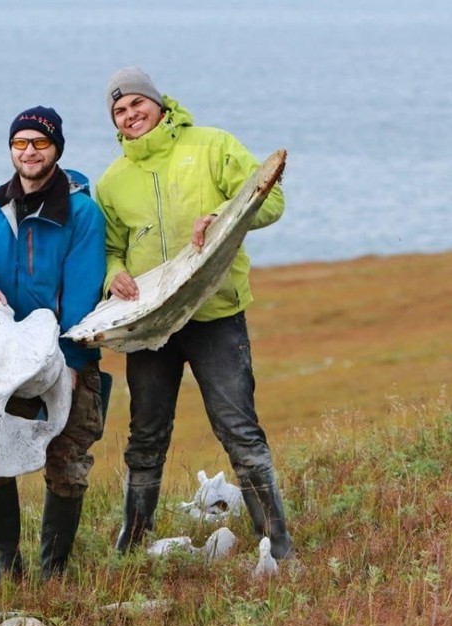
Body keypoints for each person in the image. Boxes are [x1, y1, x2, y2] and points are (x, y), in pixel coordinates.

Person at [96, 66, 293, 559]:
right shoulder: (113, 181)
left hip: (216, 316)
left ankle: (278, 542)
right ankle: (134, 540)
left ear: (158, 103)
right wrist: (112, 274)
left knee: (239, 430)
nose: (130, 115)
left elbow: (270, 202)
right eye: (119, 111)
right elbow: (110, 247)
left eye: (137, 103)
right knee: (145, 436)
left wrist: (223, 215)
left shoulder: (212, 146)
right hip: (151, 326)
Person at [0, 106, 106, 585]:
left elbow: (81, 292)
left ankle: (53, 570)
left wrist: (72, 361)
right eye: (21, 143)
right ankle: (6, 560)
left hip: (65, 357)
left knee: (67, 459)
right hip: (3, 359)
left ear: (56, 148)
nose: (30, 152)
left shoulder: (82, 212)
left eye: (40, 143)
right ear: (11, 149)